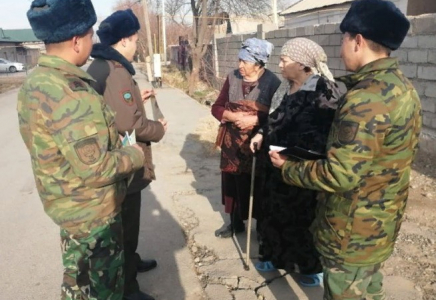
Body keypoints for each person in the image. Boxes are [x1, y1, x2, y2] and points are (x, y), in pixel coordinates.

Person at [269, 0, 422, 299]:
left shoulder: (366, 99)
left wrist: (288, 167)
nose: (340, 49)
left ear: (358, 41)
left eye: (343, 40)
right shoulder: (403, 87)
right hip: (380, 224)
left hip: (351, 233)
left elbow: (340, 175)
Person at [17, 1, 146, 300]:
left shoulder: (35, 83)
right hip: (94, 218)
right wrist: (135, 154)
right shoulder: (73, 94)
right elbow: (97, 168)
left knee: (77, 286)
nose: (93, 41)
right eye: (90, 35)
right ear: (76, 41)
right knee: (104, 290)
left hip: (67, 209)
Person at [87, 9, 167, 300]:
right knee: (126, 227)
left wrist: (137, 99)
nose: (136, 46)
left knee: (123, 226)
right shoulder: (116, 71)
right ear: (123, 41)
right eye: (134, 40)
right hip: (123, 165)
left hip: (112, 161)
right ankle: (127, 287)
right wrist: (158, 128)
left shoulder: (101, 66)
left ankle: (130, 264)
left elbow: (118, 109)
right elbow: (129, 124)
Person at [250, 38, 341, 287]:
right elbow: (277, 116)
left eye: (284, 60)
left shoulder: (323, 91)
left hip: (303, 167)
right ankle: (271, 254)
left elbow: (324, 134)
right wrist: (261, 133)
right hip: (275, 163)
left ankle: (308, 265)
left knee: (301, 216)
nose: (279, 64)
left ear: (302, 65)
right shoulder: (286, 87)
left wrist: (294, 153)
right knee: (271, 210)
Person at [211, 38, 281, 238]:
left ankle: (261, 228)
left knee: (258, 185)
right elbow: (217, 107)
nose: (239, 65)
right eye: (239, 60)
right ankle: (235, 223)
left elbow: (277, 114)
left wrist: (254, 120)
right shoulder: (232, 77)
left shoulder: (273, 83)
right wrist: (233, 116)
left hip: (257, 142)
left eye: (245, 61)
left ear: (258, 63)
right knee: (232, 183)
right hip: (231, 143)